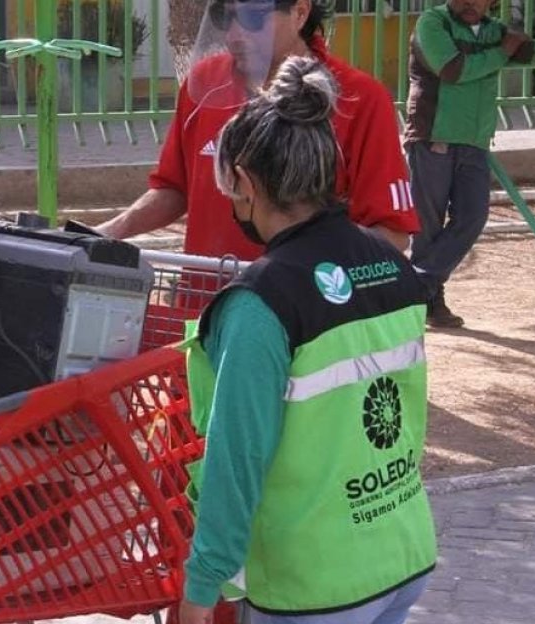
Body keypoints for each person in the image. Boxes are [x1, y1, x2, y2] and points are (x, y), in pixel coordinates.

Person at [177, 56, 437, 624]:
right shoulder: (393, 268)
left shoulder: (261, 303)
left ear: (245, 182)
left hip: (313, 585)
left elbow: (236, 461)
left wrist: (201, 589)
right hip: (400, 553)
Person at [97, 0, 419, 270]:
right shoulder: (205, 84)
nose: (234, 34)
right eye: (225, 16)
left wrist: (299, 270)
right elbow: (175, 188)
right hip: (205, 305)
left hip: (301, 312)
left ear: (300, 12)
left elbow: (392, 234)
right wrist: (107, 232)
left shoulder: (358, 99)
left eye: (252, 17)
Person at [405, 0, 535, 327]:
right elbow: (453, 70)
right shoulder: (433, 22)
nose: (471, 2)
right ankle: (430, 297)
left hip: (475, 142)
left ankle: (419, 285)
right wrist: (502, 52)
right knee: (427, 224)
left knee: (473, 216)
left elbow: (526, 49)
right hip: (433, 136)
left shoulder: (493, 31)